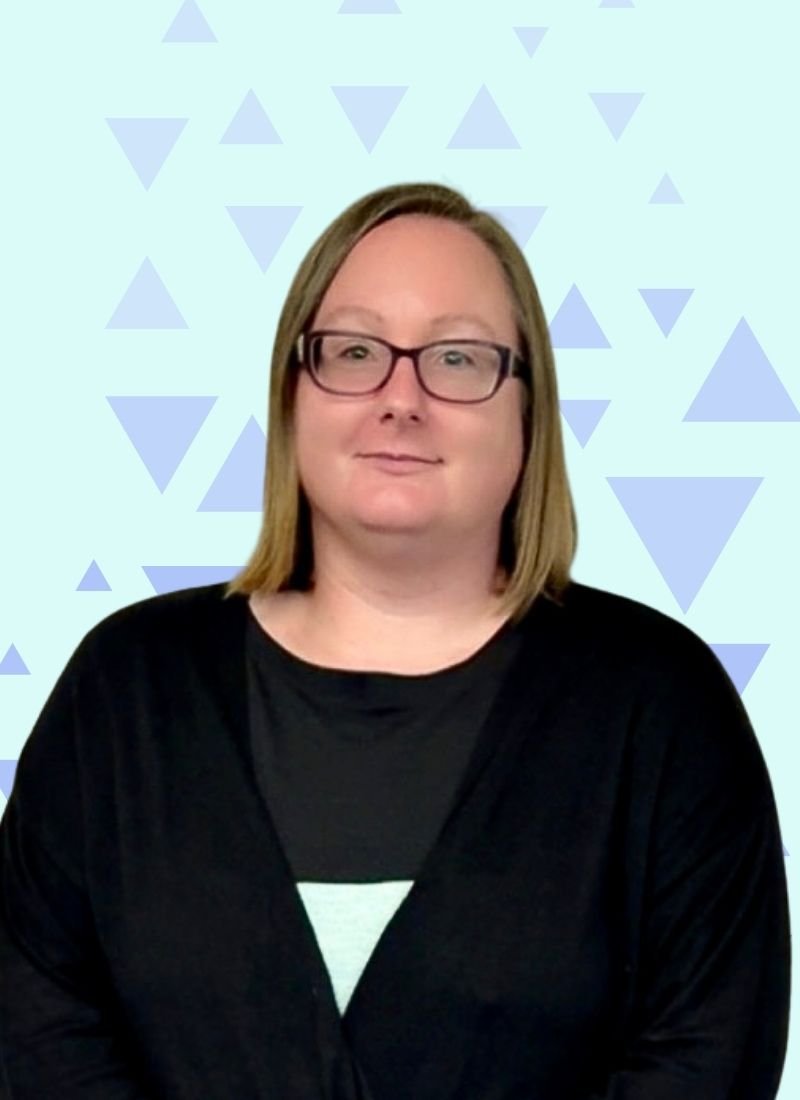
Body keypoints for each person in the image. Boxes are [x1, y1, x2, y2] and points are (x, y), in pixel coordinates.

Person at [0, 181, 790, 1099]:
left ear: (528, 419)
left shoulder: (663, 707)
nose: (400, 397)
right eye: (355, 351)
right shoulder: (126, 693)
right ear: (293, 394)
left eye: (457, 358)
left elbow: (706, 1056)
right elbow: (34, 1028)